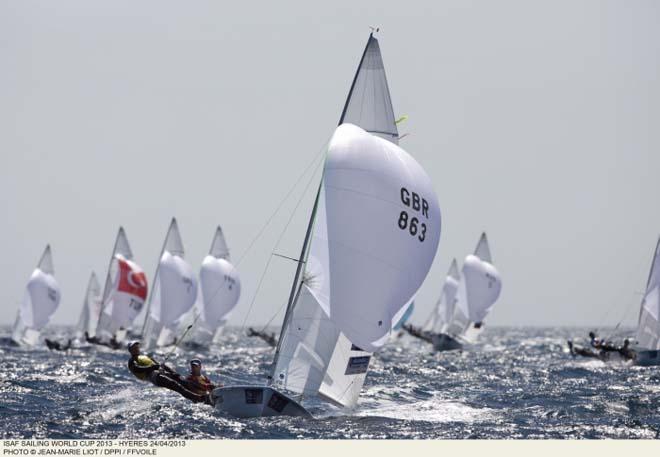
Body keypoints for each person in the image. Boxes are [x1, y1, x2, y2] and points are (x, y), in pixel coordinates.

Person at [126, 341, 213, 405]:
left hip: (161, 373)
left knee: (183, 381)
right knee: (175, 385)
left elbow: (159, 365)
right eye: (134, 347)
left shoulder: (145, 356)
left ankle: (204, 392)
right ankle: (199, 398)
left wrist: (173, 372)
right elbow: (137, 369)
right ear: (130, 350)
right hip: (154, 377)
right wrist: (152, 367)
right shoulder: (132, 361)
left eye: (137, 346)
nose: (136, 348)